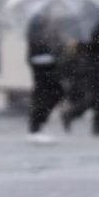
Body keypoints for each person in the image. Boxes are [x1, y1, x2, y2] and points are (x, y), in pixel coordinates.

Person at [62, 15, 99, 136]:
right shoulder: (93, 28)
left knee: (98, 98)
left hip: (90, 66)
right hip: (92, 67)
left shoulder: (83, 28)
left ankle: (96, 125)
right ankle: (71, 115)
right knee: (95, 97)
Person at [26, 14, 67, 144]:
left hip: (49, 66)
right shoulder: (38, 28)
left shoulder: (49, 29)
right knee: (44, 96)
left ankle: (38, 125)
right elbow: (42, 46)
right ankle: (35, 128)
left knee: (54, 93)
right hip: (43, 67)